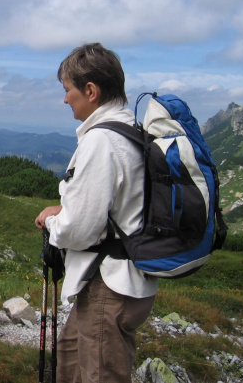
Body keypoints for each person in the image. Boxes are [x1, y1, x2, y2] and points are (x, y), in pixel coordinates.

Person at [35, 43, 157, 383]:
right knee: (70, 361)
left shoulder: (101, 141)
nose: (64, 99)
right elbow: (117, 203)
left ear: (91, 91)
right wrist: (65, 208)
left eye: (67, 90)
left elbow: (79, 229)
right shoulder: (130, 129)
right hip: (118, 281)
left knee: (99, 375)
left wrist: (52, 221)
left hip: (110, 289)